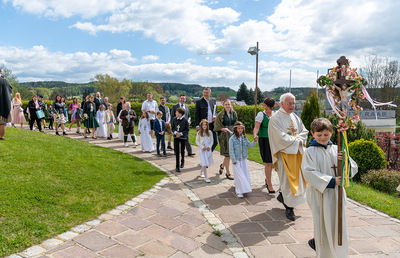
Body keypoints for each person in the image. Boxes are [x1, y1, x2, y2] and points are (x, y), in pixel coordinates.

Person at [302, 118, 358, 257]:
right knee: (322, 223)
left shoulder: (337, 149)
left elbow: (352, 168)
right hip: (319, 194)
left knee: (338, 223)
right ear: (313, 134)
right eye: (319, 135)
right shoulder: (309, 152)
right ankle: (324, 252)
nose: (323, 137)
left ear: (332, 133)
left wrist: (344, 159)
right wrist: (331, 181)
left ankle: (339, 253)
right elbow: (308, 172)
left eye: (326, 134)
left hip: (337, 194)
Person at [268, 92, 309, 221]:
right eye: (289, 103)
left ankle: (282, 197)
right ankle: (289, 207)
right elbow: (280, 137)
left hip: (296, 153)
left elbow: (304, 131)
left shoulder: (295, 117)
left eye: (293, 103)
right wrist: (297, 140)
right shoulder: (275, 118)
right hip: (284, 154)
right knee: (287, 181)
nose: (292, 106)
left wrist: (297, 140)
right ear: (281, 103)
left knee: (297, 179)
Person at [253, 97, 276, 193]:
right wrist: (255, 134)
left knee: (273, 162)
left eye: (267, 106)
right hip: (264, 140)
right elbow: (256, 127)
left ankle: (268, 179)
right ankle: (269, 183)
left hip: (273, 140)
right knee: (268, 161)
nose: (265, 107)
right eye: (264, 105)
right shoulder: (261, 115)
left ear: (271, 106)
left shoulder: (274, 115)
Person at [229, 121, 257, 198]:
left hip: (243, 158)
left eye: (241, 128)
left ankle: (244, 188)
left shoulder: (244, 137)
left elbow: (249, 145)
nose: (240, 130)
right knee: (239, 175)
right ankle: (238, 191)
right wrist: (233, 160)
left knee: (244, 173)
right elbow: (231, 150)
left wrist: (254, 141)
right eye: (239, 128)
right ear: (235, 129)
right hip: (236, 159)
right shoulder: (232, 139)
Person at [214, 99, 237, 180]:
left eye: (229, 104)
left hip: (232, 135)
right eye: (226, 104)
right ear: (223, 105)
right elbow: (216, 126)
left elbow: (236, 124)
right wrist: (222, 129)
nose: (227, 106)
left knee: (229, 154)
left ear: (231, 105)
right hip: (224, 136)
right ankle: (228, 173)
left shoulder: (234, 113)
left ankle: (222, 167)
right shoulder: (220, 115)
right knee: (228, 154)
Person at [171, 107, 189, 172]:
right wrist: (175, 132)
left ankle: (182, 160)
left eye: (177, 112)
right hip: (176, 137)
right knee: (177, 151)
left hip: (182, 137)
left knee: (182, 150)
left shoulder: (185, 120)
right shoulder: (174, 119)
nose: (175, 113)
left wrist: (181, 133)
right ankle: (177, 166)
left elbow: (187, 129)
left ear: (180, 114)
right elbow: (172, 128)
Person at [0, 68, 12, 140]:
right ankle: (2, 137)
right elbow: (10, 93)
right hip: (3, 105)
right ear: (0, 72)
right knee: (2, 123)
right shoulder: (5, 81)